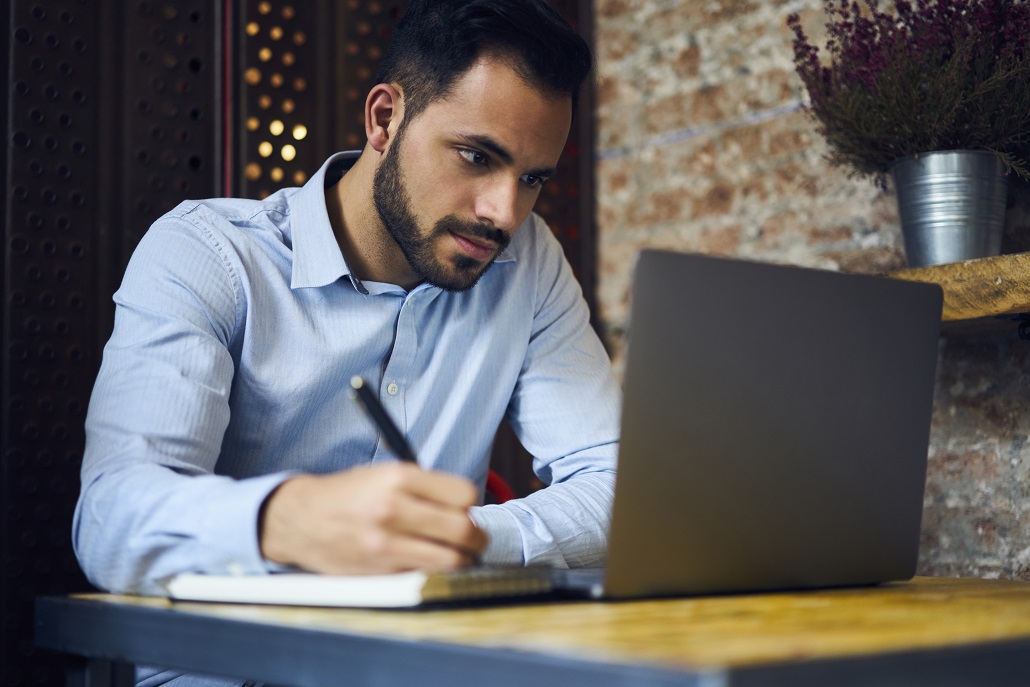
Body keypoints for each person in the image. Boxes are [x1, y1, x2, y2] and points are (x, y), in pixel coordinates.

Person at [75, 0, 618, 643]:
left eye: (532, 178)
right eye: (476, 157)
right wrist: (288, 519)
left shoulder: (528, 262)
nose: (503, 212)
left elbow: (615, 487)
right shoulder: (210, 255)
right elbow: (110, 523)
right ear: (385, 119)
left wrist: (463, 540)